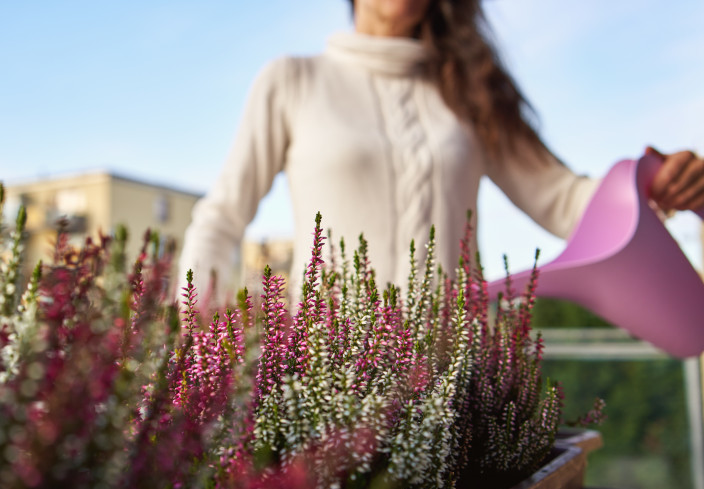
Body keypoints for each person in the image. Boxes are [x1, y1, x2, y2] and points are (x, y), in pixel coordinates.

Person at [178, 0, 704, 304]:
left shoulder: (470, 88)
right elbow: (222, 215)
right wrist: (203, 341)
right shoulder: (291, 80)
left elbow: (564, 200)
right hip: (322, 384)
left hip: (453, 385)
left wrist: (652, 185)